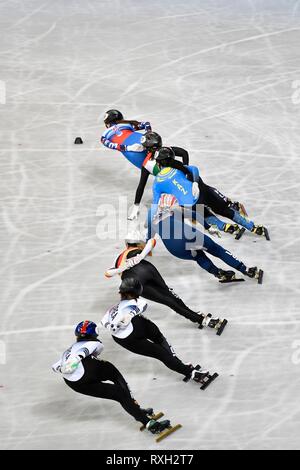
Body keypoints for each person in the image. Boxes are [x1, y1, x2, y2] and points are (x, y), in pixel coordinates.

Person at [52, 320, 173, 435]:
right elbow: (84, 351)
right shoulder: (94, 343)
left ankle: (136, 410)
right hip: (86, 372)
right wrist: (75, 361)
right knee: (114, 376)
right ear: (94, 333)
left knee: (117, 391)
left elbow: (55, 366)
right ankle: (147, 421)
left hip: (74, 383)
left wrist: (64, 368)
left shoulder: (68, 350)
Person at [104, 232, 227, 334]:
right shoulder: (136, 250)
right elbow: (152, 242)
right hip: (147, 270)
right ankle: (200, 318)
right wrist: (140, 256)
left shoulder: (118, 258)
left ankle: (198, 318)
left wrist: (121, 268)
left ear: (126, 244)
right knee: (170, 296)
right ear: (137, 243)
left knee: (168, 300)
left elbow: (107, 273)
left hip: (132, 282)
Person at [102, 279, 216, 383]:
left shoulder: (115, 308)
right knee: (160, 351)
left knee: (160, 346)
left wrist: (117, 323)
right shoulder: (131, 303)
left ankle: (179, 364)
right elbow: (140, 305)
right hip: (133, 332)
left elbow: (104, 321)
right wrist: (114, 325)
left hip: (129, 333)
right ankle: (191, 373)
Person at [152, 147, 269, 238]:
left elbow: (155, 205)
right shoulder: (177, 166)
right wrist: (195, 183)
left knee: (206, 215)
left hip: (189, 203)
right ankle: (253, 227)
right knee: (224, 210)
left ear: (158, 164)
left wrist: (154, 220)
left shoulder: (156, 182)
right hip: (202, 191)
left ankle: (227, 228)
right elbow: (194, 169)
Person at [142, 195, 263, 283]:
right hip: (189, 236)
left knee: (199, 256)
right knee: (218, 251)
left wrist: (140, 256)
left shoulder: (151, 221)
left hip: (175, 249)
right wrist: (208, 228)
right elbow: (196, 215)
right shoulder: (171, 210)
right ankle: (246, 270)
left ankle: (218, 273)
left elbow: (149, 242)